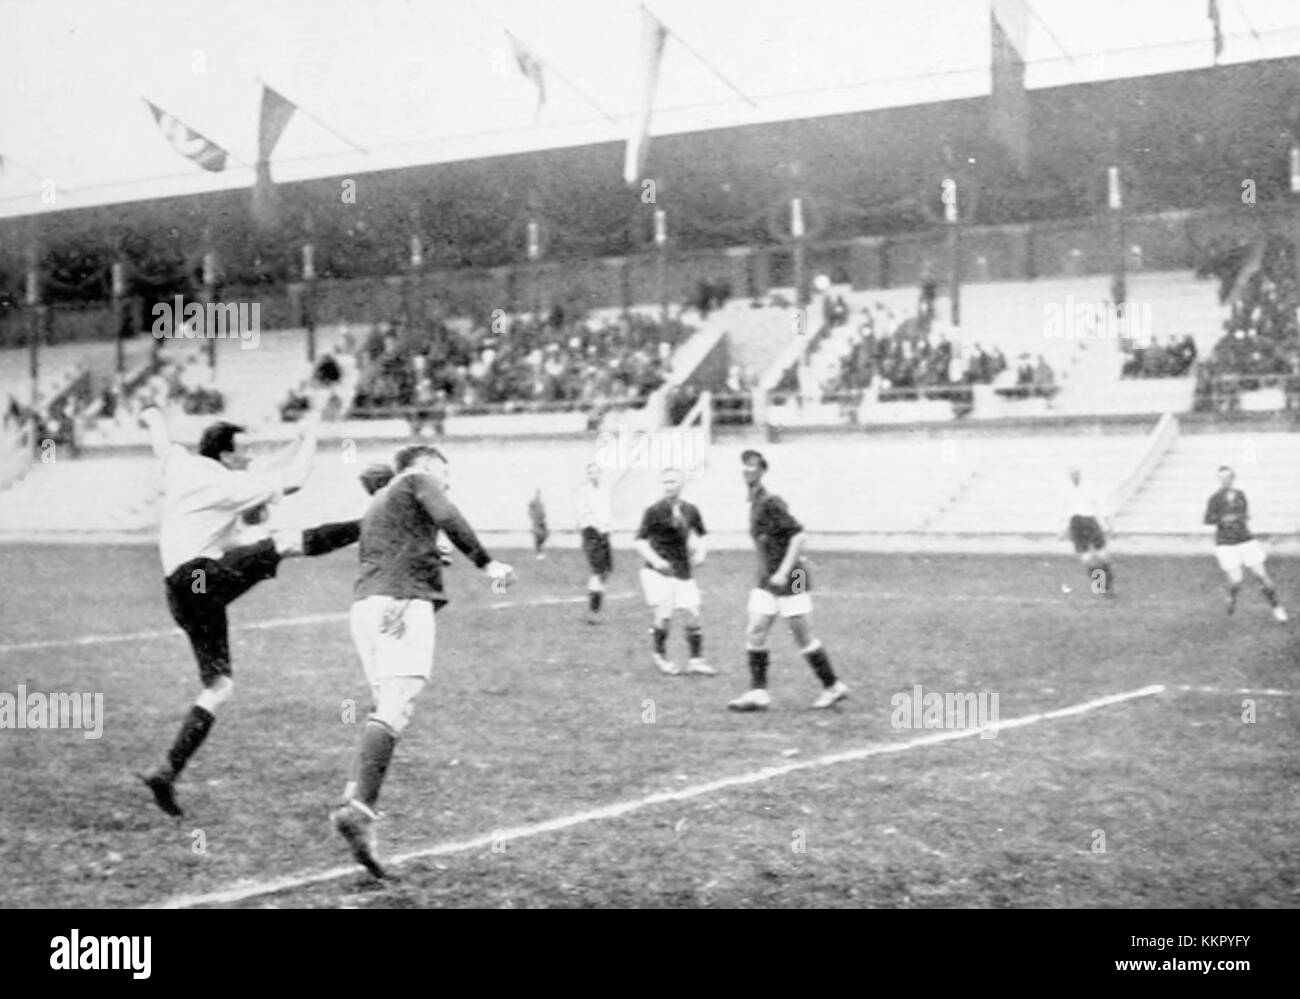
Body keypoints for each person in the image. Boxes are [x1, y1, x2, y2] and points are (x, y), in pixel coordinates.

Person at [136, 403, 362, 818]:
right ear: (224, 456)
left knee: (219, 686)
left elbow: (161, 442)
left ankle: (167, 771)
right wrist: (311, 436)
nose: (250, 457)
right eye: (243, 451)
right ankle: (370, 525)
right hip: (199, 578)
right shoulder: (227, 486)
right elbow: (293, 480)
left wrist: (152, 416)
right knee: (283, 544)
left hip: (179, 591)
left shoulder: (183, 466)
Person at [330, 444, 516, 878]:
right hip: (401, 604)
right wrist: (487, 564)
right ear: (429, 464)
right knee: (397, 705)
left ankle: (354, 801)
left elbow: (401, 542)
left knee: (386, 707)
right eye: (445, 474)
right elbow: (448, 515)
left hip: (366, 607)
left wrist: (431, 552)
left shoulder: (381, 501)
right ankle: (359, 808)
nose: (446, 483)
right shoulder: (418, 479)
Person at [728, 450, 848, 712]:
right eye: (744, 466)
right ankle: (758, 692)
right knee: (755, 630)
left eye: (753, 466)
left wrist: (783, 571)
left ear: (762, 470)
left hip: (794, 576)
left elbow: (797, 537)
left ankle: (832, 686)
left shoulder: (771, 502)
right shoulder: (755, 501)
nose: (747, 470)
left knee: (802, 636)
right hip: (767, 579)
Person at [633, 468, 714, 676]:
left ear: (682, 484)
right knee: (664, 615)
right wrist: (656, 560)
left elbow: (703, 534)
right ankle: (660, 656)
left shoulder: (690, 510)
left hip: (683, 569)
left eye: (673, 482)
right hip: (659, 572)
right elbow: (640, 541)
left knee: (693, 614)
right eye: (666, 482)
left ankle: (696, 660)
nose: (669, 485)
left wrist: (701, 552)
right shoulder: (654, 511)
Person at [1204, 466, 1288, 622]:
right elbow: (1208, 519)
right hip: (1226, 543)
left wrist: (1238, 518)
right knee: (1236, 580)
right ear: (1218, 479)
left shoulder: (1240, 495)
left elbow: (1245, 514)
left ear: (1232, 478)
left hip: (1245, 540)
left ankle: (1277, 607)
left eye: (1228, 477)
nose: (1225, 480)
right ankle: (1231, 595)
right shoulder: (1214, 499)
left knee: (1263, 577)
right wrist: (1223, 519)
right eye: (1222, 478)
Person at [1061, 468, 1115, 597]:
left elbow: (1101, 504)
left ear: (1080, 474)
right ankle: (1101, 587)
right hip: (1076, 524)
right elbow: (1064, 509)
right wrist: (1063, 528)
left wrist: (1108, 524)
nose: (1074, 476)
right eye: (1071, 473)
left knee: (1102, 555)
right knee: (1086, 558)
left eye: (1076, 473)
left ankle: (1108, 583)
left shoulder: (1090, 488)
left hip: (1090, 522)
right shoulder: (1065, 490)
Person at [576, 462, 614, 624]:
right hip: (591, 532)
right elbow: (583, 513)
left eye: (596, 472)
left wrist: (607, 527)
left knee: (606, 570)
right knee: (598, 571)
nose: (593, 475)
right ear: (587, 475)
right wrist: (596, 526)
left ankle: (595, 599)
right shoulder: (583, 491)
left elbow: (607, 511)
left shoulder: (605, 491)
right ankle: (593, 612)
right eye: (590, 473)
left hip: (604, 533)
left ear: (600, 473)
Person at [529, 487, 549, 559]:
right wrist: (534, 519)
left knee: (545, 535)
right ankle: (538, 553)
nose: (538, 495)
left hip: (542, 521)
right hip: (536, 522)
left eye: (539, 493)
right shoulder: (533, 502)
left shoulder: (541, 502)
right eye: (537, 493)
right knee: (538, 537)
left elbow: (543, 512)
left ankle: (540, 551)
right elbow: (530, 511)